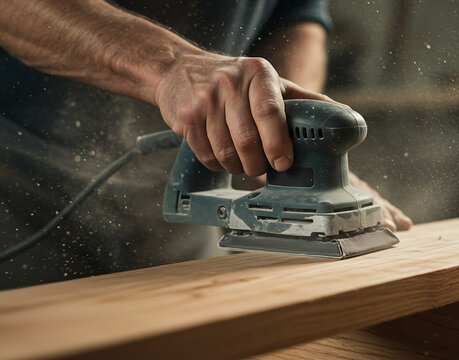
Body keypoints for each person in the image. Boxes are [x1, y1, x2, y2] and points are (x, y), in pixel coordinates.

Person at [0, 0, 411, 289]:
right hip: (23, 192)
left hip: (180, 234)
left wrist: (277, 137)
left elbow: (297, 20)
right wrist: (170, 66)